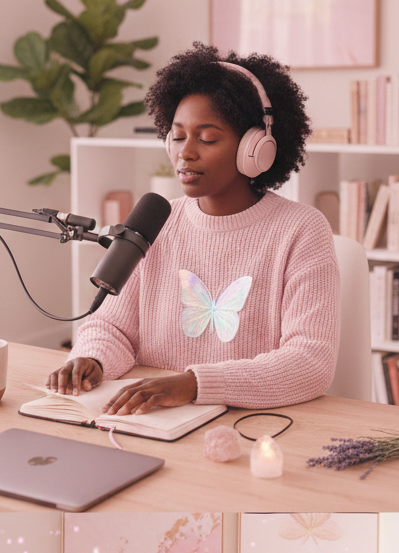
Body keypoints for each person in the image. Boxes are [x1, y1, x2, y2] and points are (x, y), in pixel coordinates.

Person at [48, 43, 338, 414]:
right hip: (156, 419)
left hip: (253, 425)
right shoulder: (157, 222)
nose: (185, 153)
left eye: (207, 138)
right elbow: (112, 327)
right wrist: (93, 359)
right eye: (178, 136)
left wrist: (194, 384)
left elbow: (309, 363)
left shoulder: (301, 230)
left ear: (256, 148)